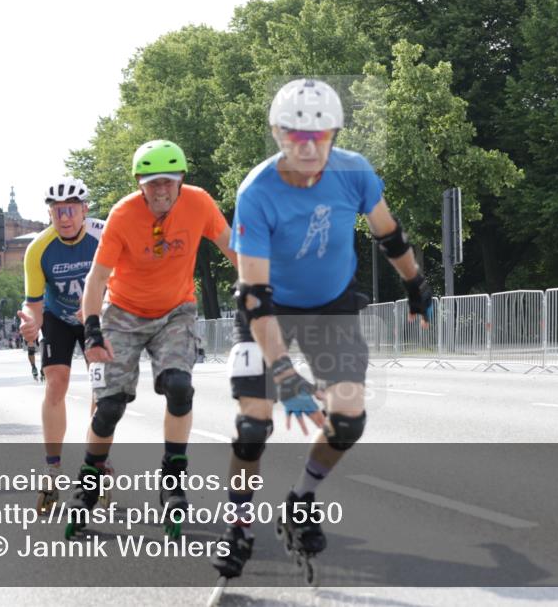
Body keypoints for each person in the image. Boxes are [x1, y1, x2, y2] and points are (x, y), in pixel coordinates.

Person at [211, 78, 433, 581]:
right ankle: (240, 527)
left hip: (332, 307)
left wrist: (417, 284)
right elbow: (256, 298)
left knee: (349, 419)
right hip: (269, 310)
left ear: (334, 133)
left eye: (320, 137)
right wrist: (287, 379)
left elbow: (388, 233)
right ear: (276, 133)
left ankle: (301, 501)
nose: (308, 149)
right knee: (253, 427)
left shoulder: (354, 171)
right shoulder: (257, 192)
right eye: (295, 137)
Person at [70, 139, 237, 537]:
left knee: (180, 387)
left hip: (175, 310)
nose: (161, 190)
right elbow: (97, 278)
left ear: (181, 180)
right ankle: (88, 482)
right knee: (109, 407)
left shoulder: (199, 204)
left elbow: (235, 249)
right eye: (152, 183)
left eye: (169, 182)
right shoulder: (123, 215)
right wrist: (92, 330)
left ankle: (173, 481)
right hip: (122, 313)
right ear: (139, 184)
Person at [17, 177, 105, 512]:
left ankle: (96, 460)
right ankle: (52, 466)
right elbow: (33, 304)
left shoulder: (104, 235)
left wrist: (101, 308)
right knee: (56, 383)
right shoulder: (38, 248)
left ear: (84, 209)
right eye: (57, 212)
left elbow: (127, 281)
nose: (64, 218)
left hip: (97, 313)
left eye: (70, 210)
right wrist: (30, 323)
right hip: (58, 316)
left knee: (102, 383)